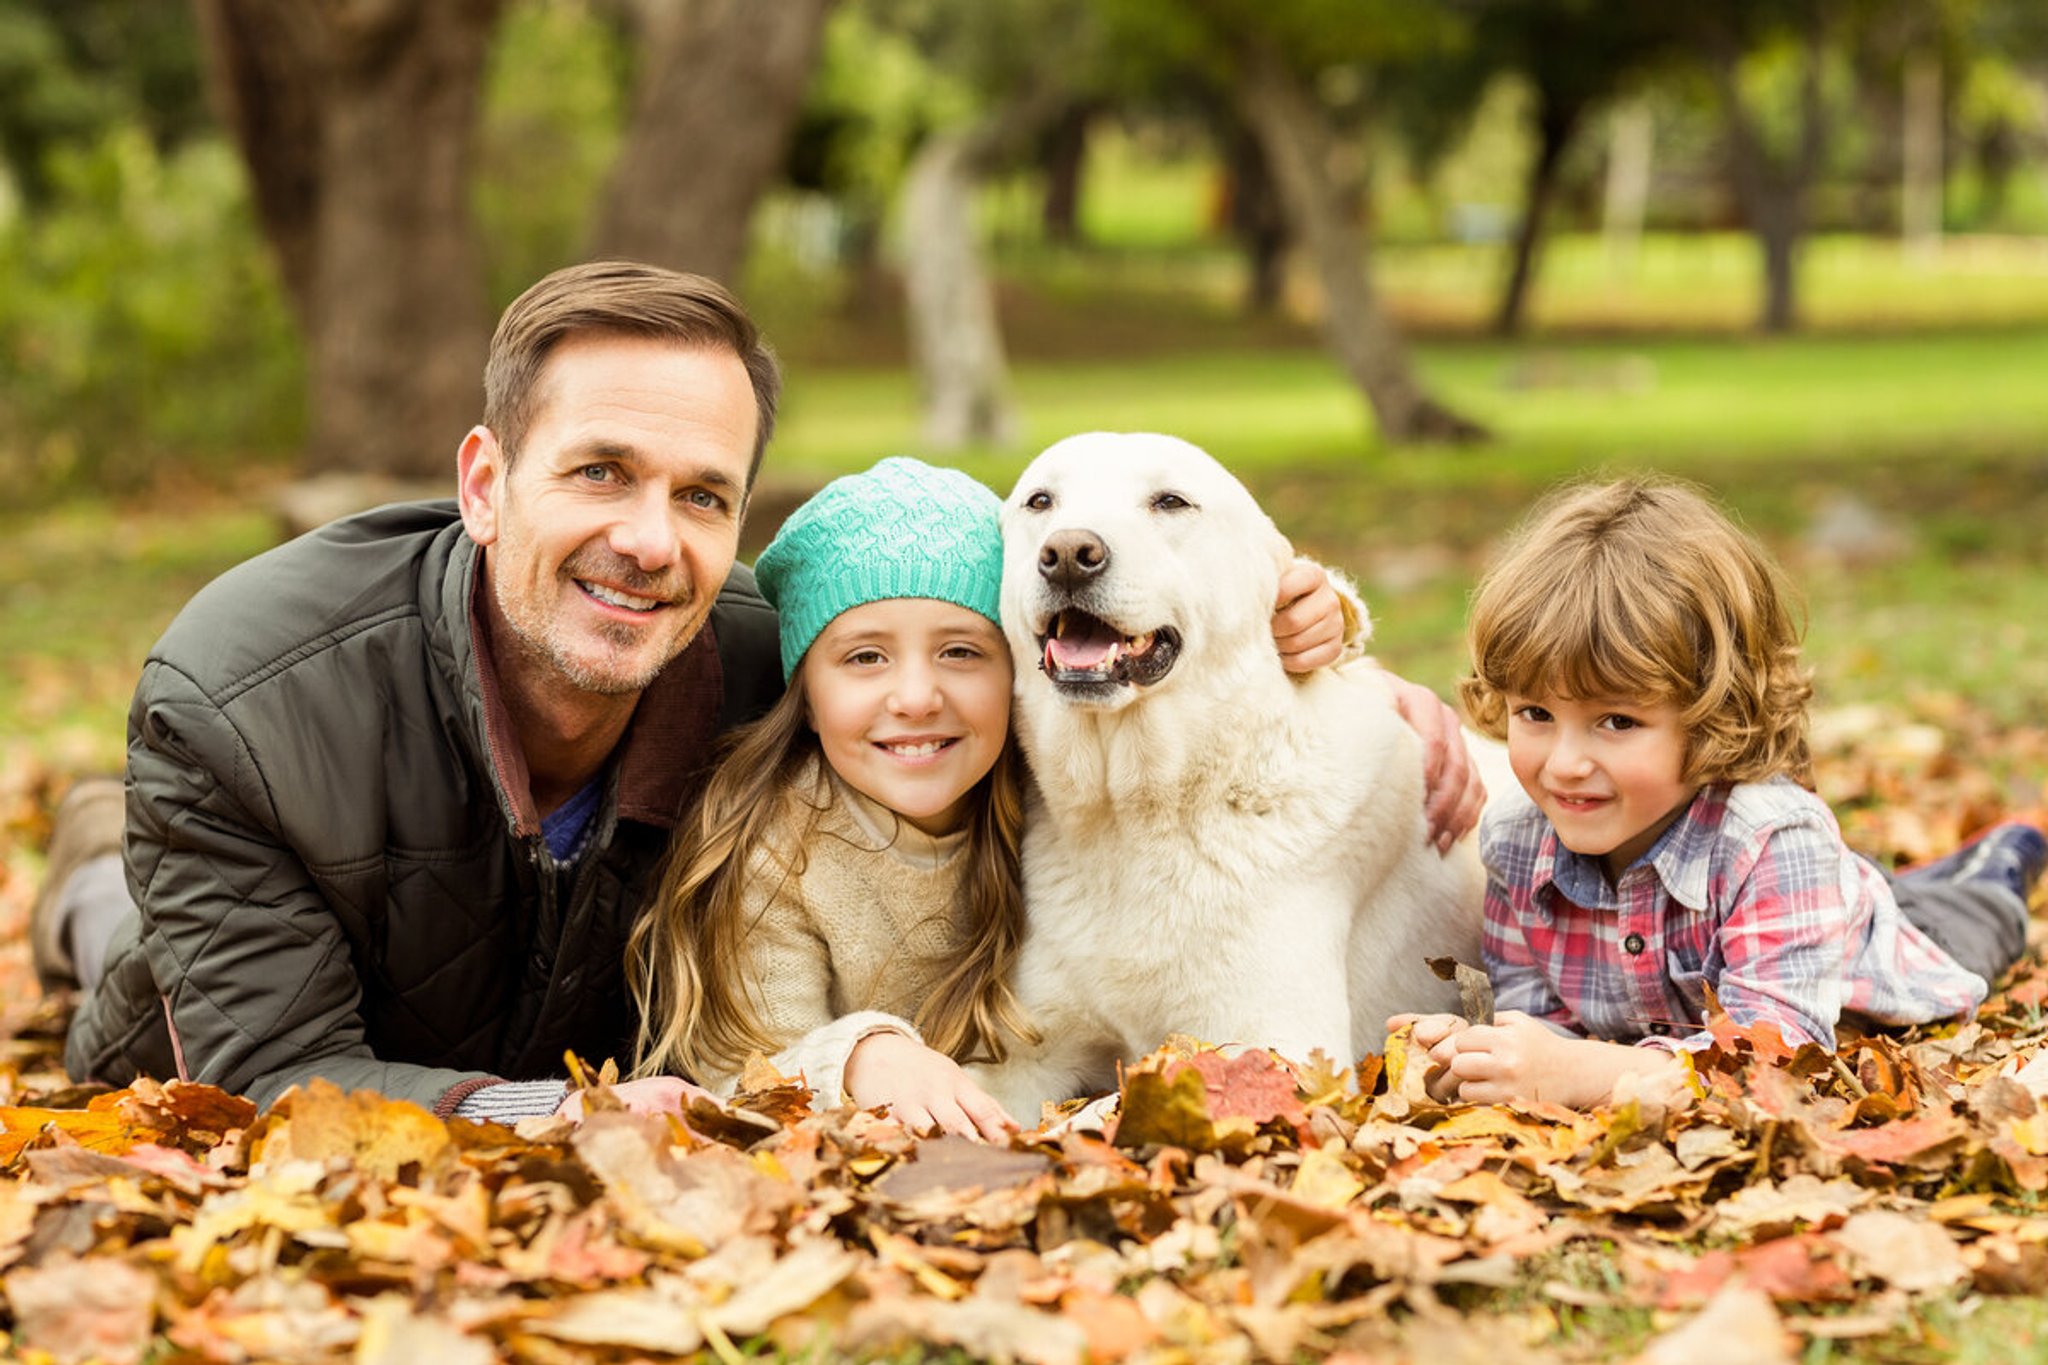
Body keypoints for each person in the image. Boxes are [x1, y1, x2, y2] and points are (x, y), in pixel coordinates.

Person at [29, 259, 1480, 1122]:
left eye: (702, 494)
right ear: (484, 480)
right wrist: (562, 1116)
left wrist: (1335, 670)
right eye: (599, 471)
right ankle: (102, 865)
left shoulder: (776, 652)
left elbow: (1072, 654)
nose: (649, 541)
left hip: (571, 1031)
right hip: (293, 1016)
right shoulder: (240, 710)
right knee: (124, 955)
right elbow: (276, 1081)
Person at [1396, 478, 2044, 1110]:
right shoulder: (1515, 836)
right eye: (1535, 713)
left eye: (1617, 721)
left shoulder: (1772, 841)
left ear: (1714, 714)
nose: (1564, 764)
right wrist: (1490, 1052)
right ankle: (1900, 879)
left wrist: (1592, 1073)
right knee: (1877, 882)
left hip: (1883, 952)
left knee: (1975, 911)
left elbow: (1779, 1057)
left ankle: (2004, 856)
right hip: (1799, 909)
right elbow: (1543, 1024)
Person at [628, 457, 1024, 1140]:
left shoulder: (1053, 805)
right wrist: (863, 1056)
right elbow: (741, 1071)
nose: (916, 697)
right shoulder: (774, 845)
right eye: (866, 657)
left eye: (960, 651)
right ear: (806, 697)